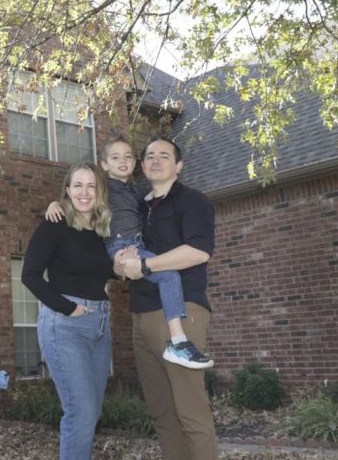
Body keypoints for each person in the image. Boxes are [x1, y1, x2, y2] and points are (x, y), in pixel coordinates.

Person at [46, 138, 213, 369]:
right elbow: (81, 197)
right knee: (169, 275)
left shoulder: (139, 191)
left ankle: (177, 340)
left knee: (167, 274)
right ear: (104, 164)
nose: (122, 161)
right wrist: (57, 204)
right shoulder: (103, 188)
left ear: (135, 163)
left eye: (128, 157)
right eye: (115, 158)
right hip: (118, 245)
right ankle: (178, 340)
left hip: (137, 245)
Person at [116, 137, 218, 460]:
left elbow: (198, 251)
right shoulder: (136, 206)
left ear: (179, 166)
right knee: (162, 413)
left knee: (191, 412)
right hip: (140, 315)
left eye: (164, 155)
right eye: (150, 156)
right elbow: (121, 259)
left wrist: (146, 265)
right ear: (142, 165)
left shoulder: (193, 201)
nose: (155, 160)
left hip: (180, 312)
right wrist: (121, 264)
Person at [21, 162, 114, 460]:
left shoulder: (102, 231)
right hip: (65, 325)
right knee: (81, 413)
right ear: (67, 191)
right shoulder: (55, 224)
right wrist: (68, 307)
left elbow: (108, 271)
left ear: (100, 191)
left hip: (100, 326)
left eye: (91, 186)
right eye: (78, 185)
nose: (85, 192)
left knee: (91, 413)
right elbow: (30, 275)